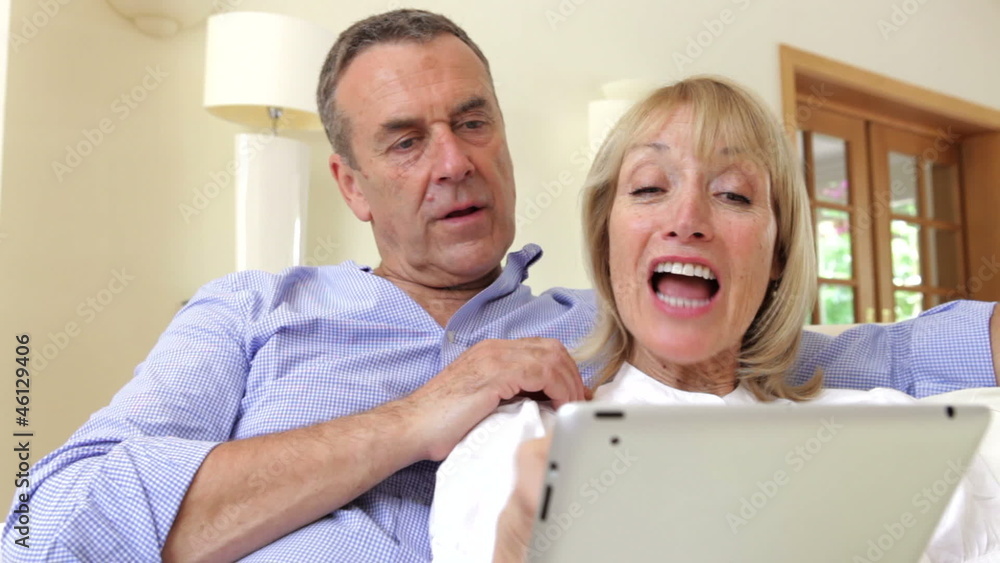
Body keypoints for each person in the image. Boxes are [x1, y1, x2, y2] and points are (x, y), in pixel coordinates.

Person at [2, 9, 997, 563]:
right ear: (347, 180)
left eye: (473, 122)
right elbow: (53, 524)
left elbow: (871, 354)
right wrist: (412, 419)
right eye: (406, 139)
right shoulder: (250, 315)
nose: (454, 161)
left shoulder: (606, 332)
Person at [429, 77, 1000, 562]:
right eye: (650, 187)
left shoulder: (889, 436)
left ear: (778, 254)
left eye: (732, 194)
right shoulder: (521, 442)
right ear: (606, 240)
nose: (687, 218)